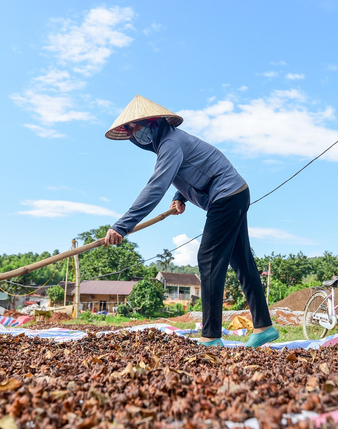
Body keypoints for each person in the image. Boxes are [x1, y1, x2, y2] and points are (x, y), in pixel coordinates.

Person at [103, 95, 279, 348]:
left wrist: (122, 225)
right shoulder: (169, 144)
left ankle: (210, 336)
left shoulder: (171, 143)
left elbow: (155, 187)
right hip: (236, 193)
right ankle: (264, 327)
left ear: (152, 122)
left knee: (208, 259)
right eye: (127, 130)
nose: (132, 134)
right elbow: (192, 169)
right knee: (241, 261)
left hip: (227, 196)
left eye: (134, 126)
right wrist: (180, 195)